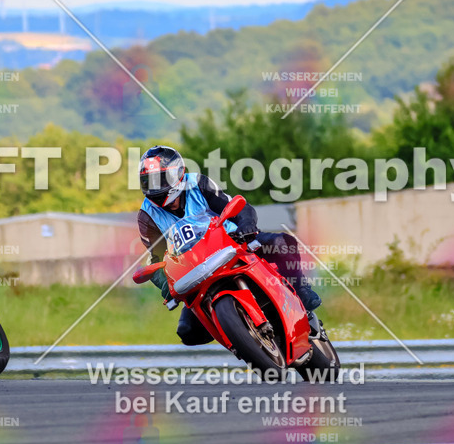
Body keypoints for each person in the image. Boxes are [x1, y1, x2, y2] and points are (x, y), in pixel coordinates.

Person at [136, 145, 321, 346]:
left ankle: (302, 292)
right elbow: (157, 259)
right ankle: (240, 341)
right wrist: (164, 283)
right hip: (195, 271)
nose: (156, 188)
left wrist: (246, 226)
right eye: (149, 182)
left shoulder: (198, 183)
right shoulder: (146, 216)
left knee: (283, 243)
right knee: (188, 333)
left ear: (178, 173)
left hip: (233, 244)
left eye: (161, 179)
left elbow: (235, 206)